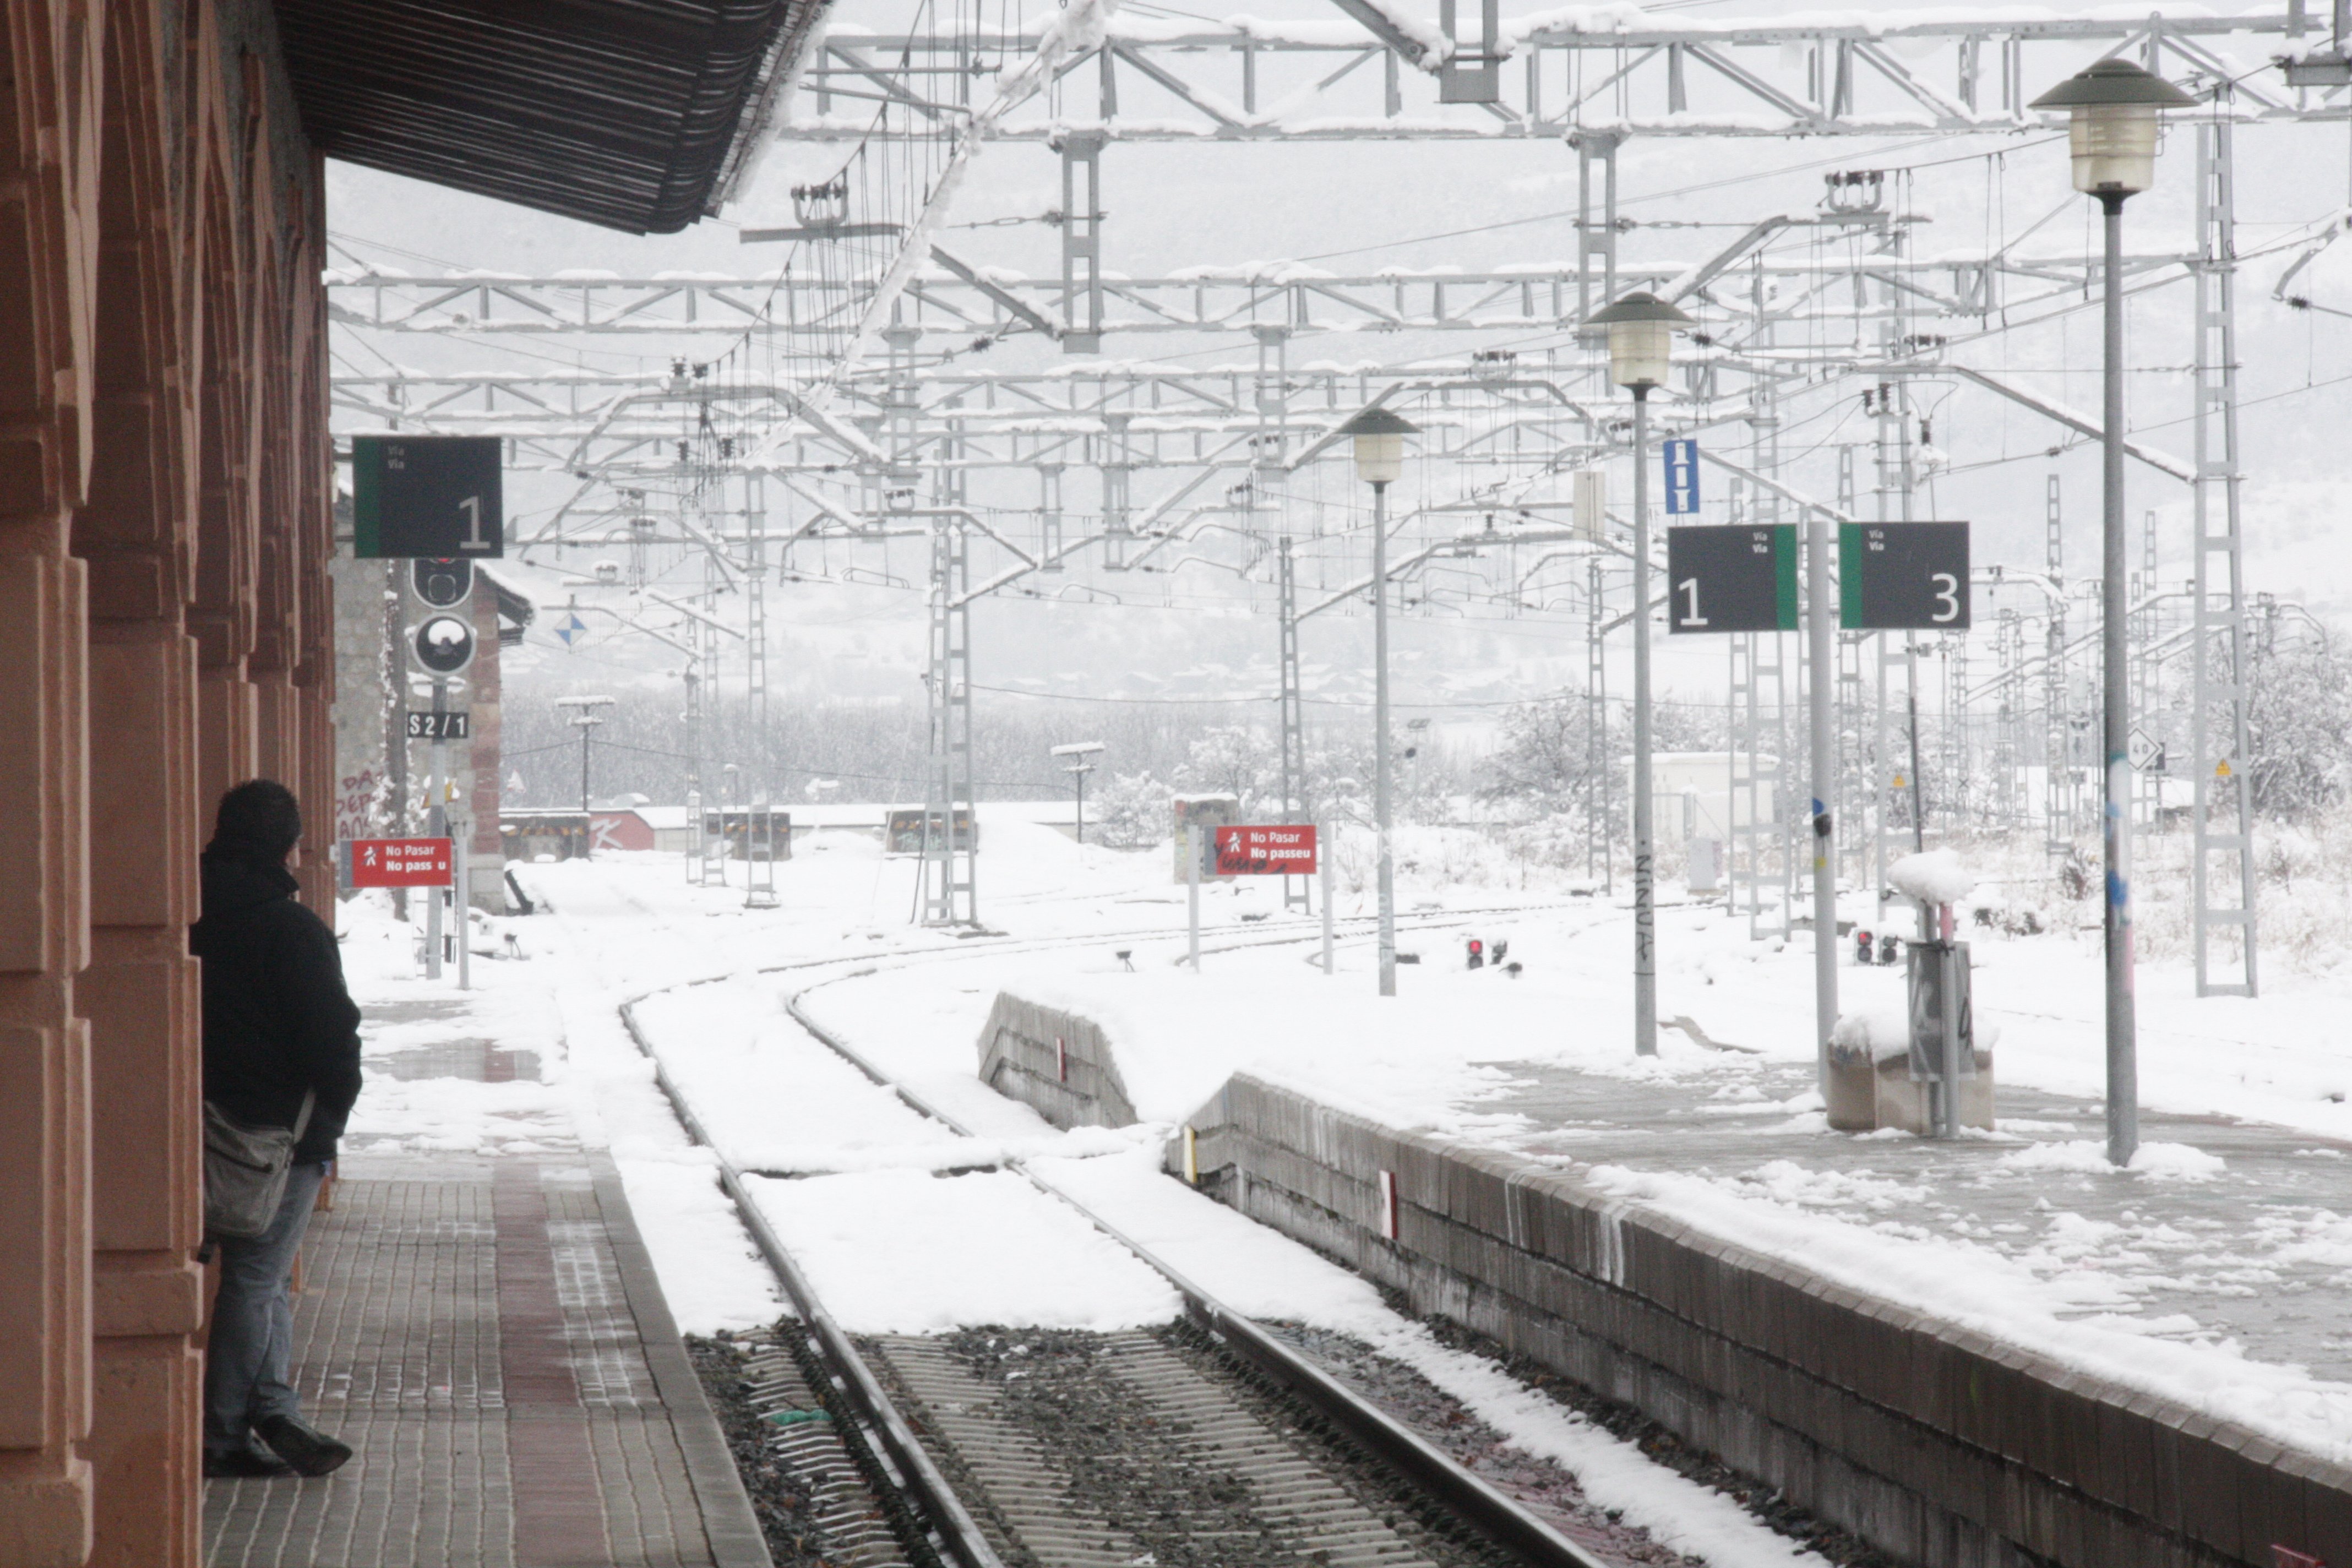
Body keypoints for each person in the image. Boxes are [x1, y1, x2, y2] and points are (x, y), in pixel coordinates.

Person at [194, 780, 364, 1479]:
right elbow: (334, 1041)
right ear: (289, 845)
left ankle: (275, 1407)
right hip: (277, 1140)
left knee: (257, 1282)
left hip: (193, 1125)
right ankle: (226, 1434)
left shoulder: (185, 916)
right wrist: (330, 1122)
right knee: (256, 1279)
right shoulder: (292, 930)